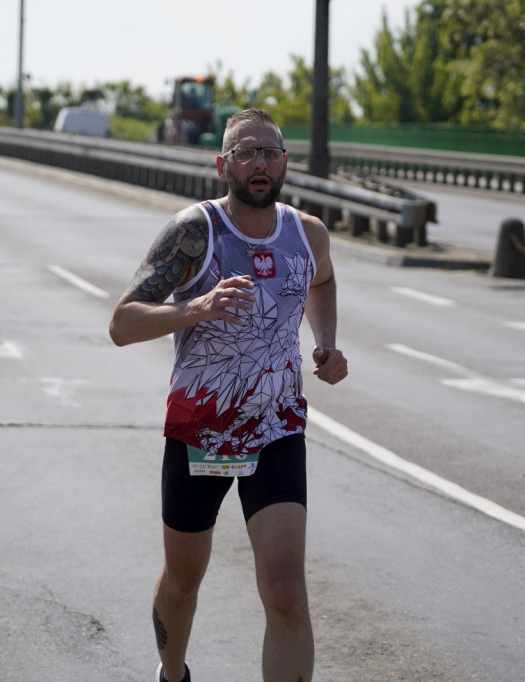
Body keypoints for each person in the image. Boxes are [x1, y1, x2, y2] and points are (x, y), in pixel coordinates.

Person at [109, 108, 348, 682]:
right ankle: (172, 673)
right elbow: (121, 323)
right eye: (246, 152)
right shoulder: (195, 233)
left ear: (285, 163)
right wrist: (197, 306)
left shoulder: (307, 232)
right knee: (184, 581)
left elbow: (321, 279)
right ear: (223, 165)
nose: (259, 163)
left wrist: (327, 344)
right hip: (203, 433)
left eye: (270, 152)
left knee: (287, 591)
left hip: (276, 429)